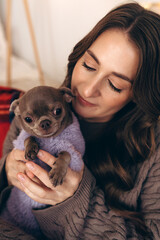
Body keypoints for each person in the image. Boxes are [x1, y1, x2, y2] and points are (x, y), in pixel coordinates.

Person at [0, 2, 160, 239]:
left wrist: (75, 201)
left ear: (139, 95)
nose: (87, 90)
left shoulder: (153, 152)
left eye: (114, 85)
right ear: (77, 56)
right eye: (88, 65)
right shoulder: (36, 108)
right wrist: (5, 171)